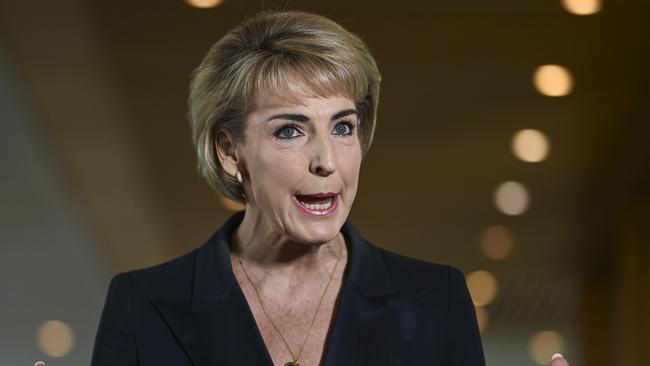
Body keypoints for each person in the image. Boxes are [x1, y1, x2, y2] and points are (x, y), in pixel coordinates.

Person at [81, 9, 572, 366]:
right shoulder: (142, 302)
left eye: (342, 126)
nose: (327, 161)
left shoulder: (435, 299)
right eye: (290, 130)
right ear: (231, 151)